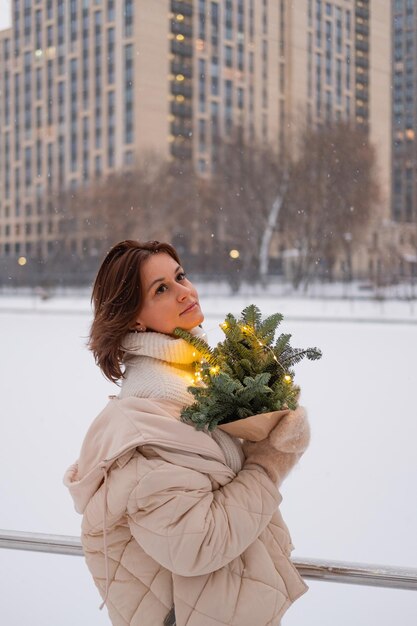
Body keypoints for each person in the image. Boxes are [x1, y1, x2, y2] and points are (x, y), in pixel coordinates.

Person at [64, 239, 311, 626]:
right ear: (134, 319)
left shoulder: (192, 381)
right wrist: (270, 461)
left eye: (180, 276)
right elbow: (196, 544)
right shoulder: (153, 409)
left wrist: (260, 420)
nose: (185, 292)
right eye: (161, 289)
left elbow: (212, 475)